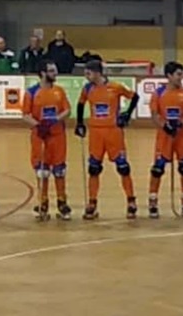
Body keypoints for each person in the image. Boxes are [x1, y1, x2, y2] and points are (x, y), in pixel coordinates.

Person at [74, 60, 140, 220]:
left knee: (123, 168)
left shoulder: (115, 87)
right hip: (96, 133)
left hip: (113, 132)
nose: (86, 76)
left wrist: (127, 114)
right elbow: (80, 104)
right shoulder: (87, 89)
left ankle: (131, 201)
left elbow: (134, 97)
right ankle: (92, 203)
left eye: (88, 73)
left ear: (97, 73)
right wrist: (80, 123)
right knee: (94, 168)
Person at [147, 62, 183, 218]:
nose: (181, 78)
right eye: (178, 74)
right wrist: (165, 125)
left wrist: (181, 122)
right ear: (169, 75)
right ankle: (153, 201)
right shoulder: (158, 93)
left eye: (182, 74)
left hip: (182, 136)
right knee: (158, 169)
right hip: (165, 136)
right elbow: (154, 114)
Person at [22, 64, 72, 221]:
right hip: (40, 137)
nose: (55, 73)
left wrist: (55, 120)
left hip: (58, 136)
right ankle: (42, 202)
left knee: (59, 170)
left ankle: (62, 202)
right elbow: (25, 114)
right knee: (42, 171)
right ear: (42, 73)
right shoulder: (31, 92)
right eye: (51, 71)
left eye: (55, 70)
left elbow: (67, 110)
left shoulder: (59, 91)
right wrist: (38, 125)